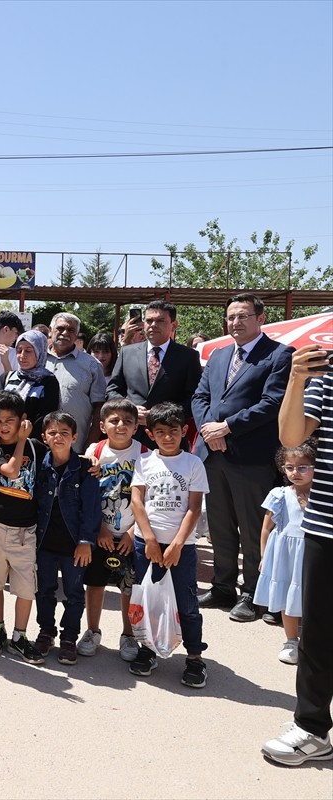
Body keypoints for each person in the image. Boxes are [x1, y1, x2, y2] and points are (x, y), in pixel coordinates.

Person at [192, 293, 292, 620]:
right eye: (231, 317)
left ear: (261, 318)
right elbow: (200, 397)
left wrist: (228, 427)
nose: (235, 322)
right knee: (220, 526)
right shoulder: (219, 355)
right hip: (213, 454)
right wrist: (210, 431)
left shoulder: (279, 354)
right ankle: (223, 586)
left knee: (252, 529)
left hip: (251, 457)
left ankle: (253, 593)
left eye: (243, 316)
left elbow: (272, 403)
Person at [260, 344, 333, 766]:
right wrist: (297, 377)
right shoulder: (325, 374)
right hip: (324, 524)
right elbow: (291, 437)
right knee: (318, 632)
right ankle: (311, 729)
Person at [128, 402, 210, 688]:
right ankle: (148, 650)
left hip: (181, 547)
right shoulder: (144, 461)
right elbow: (137, 501)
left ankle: (195, 657)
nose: (167, 437)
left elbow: (194, 508)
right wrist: (149, 538)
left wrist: (176, 544)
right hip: (147, 544)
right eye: (160, 432)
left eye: (173, 431)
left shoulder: (193, 463)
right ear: (150, 434)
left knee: (186, 602)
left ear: (184, 431)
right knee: (149, 599)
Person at [0, 390, 47, 664]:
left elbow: (62, 459)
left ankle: (20, 636)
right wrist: (20, 442)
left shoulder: (37, 447)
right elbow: (12, 471)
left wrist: (93, 462)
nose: (3, 426)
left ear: (23, 419)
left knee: (26, 586)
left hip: (25, 529)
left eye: (10, 419)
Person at [32, 411, 100, 665]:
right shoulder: (39, 466)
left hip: (74, 545)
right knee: (44, 590)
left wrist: (85, 541)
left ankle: (69, 637)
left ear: (74, 437)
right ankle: (46, 631)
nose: (58, 437)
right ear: (44, 437)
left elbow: (91, 509)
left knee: (74, 593)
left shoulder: (85, 469)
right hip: (44, 543)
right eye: (52, 433)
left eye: (64, 433)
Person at [80, 398, 145, 662]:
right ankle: (92, 631)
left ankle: (128, 635)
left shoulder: (145, 454)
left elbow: (151, 500)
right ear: (102, 425)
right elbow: (86, 494)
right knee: (95, 584)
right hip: (101, 531)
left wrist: (133, 532)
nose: (121, 425)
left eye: (128, 421)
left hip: (132, 533)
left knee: (129, 587)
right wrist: (100, 528)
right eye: (114, 420)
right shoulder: (94, 451)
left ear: (136, 427)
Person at [106, 300, 202, 446]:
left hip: (169, 439)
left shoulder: (188, 356)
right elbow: (112, 391)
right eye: (149, 320)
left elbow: (194, 399)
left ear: (174, 325)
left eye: (160, 320)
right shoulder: (127, 353)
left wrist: (161, 416)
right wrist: (129, 409)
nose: (153, 325)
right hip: (130, 438)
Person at [254, 440, 315, 665]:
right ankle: (291, 641)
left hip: (311, 554)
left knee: (312, 597)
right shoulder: (280, 494)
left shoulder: (322, 496)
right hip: (285, 556)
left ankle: (312, 642)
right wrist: (264, 556)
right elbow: (266, 528)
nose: (295, 472)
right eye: (289, 467)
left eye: (302, 467)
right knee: (287, 597)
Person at [45, 313, 107, 451]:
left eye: (71, 330)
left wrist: (90, 444)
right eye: (60, 328)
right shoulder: (37, 360)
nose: (65, 333)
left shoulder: (91, 365)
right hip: (39, 446)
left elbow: (99, 407)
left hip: (76, 447)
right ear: (50, 330)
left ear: (77, 335)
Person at [0, 330, 60, 437]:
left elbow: (44, 419)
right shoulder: (6, 378)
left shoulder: (48, 382)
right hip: (2, 439)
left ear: (40, 352)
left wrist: (22, 438)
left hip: (31, 441)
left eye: (28, 351)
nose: (22, 355)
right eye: (19, 350)